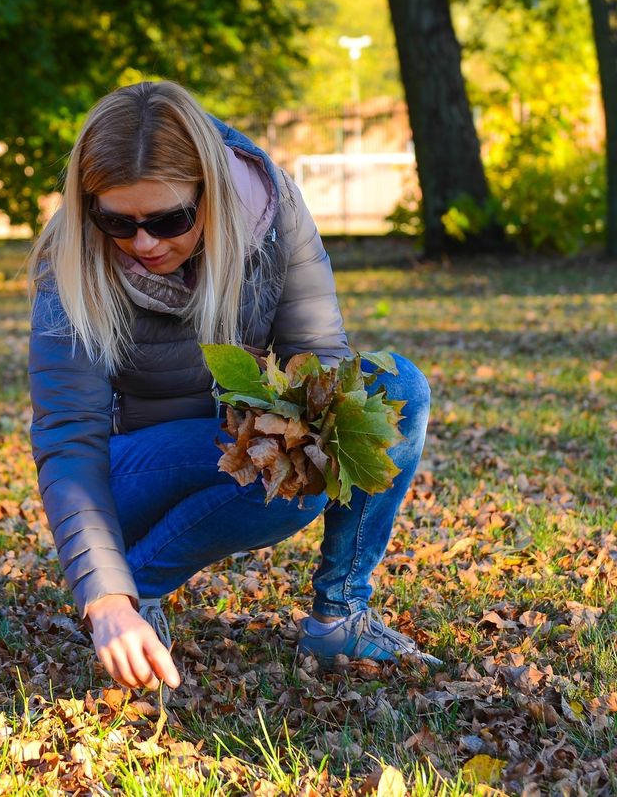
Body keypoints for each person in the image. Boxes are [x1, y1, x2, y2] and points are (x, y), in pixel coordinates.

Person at [25, 80, 441, 694]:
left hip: (228, 443)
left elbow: (320, 365)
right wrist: (107, 600)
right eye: (118, 221)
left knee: (384, 392)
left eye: (169, 220)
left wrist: (310, 434)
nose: (143, 244)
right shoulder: (73, 260)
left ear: (211, 194)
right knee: (277, 459)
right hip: (129, 474)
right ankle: (136, 588)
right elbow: (68, 439)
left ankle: (340, 615)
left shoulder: (270, 213)